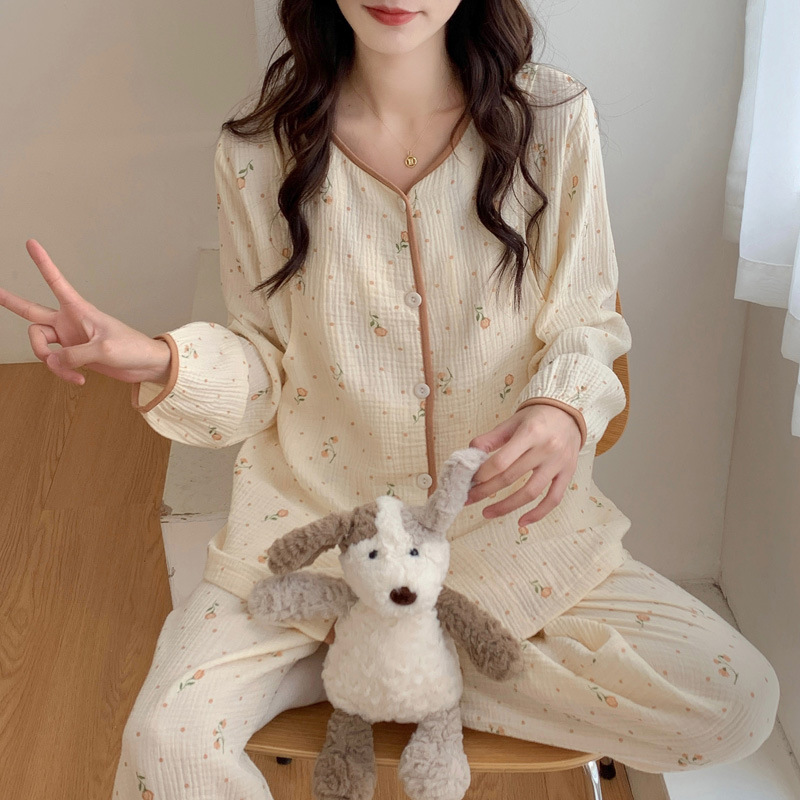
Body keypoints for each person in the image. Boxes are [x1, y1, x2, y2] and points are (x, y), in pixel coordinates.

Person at [1, 1, 779, 797]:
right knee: (166, 740)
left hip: (506, 537)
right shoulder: (257, 152)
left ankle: (382, 665)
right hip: (317, 538)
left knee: (735, 704)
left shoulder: (550, 120)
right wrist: (160, 361)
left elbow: (587, 316)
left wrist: (563, 408)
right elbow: (262, 363)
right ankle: (382, 656)